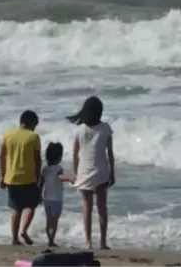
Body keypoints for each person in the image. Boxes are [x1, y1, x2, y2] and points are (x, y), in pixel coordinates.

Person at [67, 96, 115, 250]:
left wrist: (75, 173)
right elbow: (110, 154)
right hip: (101, 171)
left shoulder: (79, 130)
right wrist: (112, 173)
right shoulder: (106, 128)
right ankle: (103, 242)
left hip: (84, 171)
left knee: (86, 207)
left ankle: (88, 242)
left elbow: (75, 154)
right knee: (102, 207)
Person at [0, 110, 42, 245]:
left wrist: (2, 176)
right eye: (35, 125)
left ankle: (14, 239)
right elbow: (37, 160)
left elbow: (2, 157)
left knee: (17, 209)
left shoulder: (8, 135)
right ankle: (24, 230)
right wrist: (38, 177)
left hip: (11, 178)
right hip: (29, 177)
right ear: (31, 123)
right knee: (31, 205)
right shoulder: (33, 137)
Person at [39, 141, 76, 247]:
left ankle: (49, 239)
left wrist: (39, 194)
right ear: (59, 157)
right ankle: (51, 240)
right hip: (56, 199)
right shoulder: (59, 168)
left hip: (47, 198)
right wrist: (69, 178)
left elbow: (41, 183)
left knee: (48, 220)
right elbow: (60, 177)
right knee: (55, 221)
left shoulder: (45, 169)